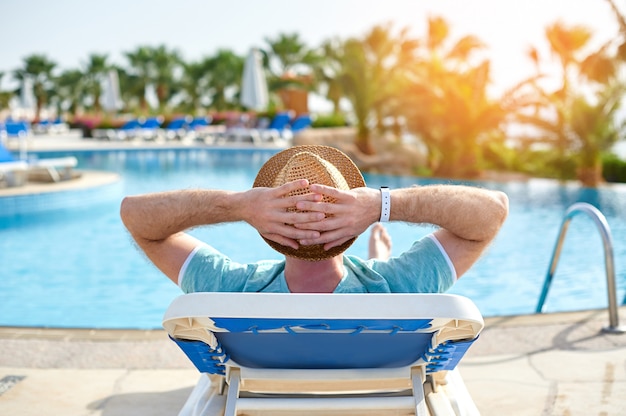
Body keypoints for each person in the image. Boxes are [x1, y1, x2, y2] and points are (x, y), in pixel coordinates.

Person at [120, 145, 508, 294]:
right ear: (351, 227)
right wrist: (380, 205)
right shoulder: (400, 287)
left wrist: (237, 205)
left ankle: (377, 253)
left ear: (270, 229)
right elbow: (493, 212)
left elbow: (135, 217)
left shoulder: (230, 289)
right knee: (379, 266)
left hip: (266, 393)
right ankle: (377, 253)